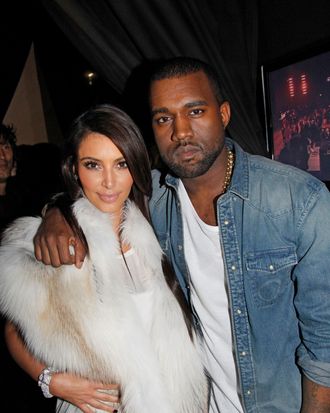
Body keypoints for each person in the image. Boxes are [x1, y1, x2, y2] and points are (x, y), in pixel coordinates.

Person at [32, 57, 330, 412]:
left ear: (223, 114)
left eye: (195, 111)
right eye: (163, 118)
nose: (181, 132)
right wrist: (57, 213)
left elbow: (323, 344)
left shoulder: (299, 201)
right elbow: (98, 193)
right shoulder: (154, 199)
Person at [0, 104, 208, 413]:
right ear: (74, 169)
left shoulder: (156, 225)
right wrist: (51, 381)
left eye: (121, 164)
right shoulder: (56, 242)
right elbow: (13, 329)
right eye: (93, 165)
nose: (109, 182)